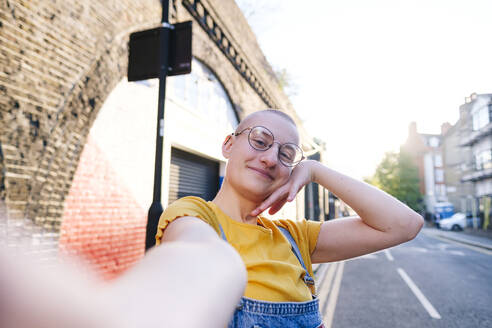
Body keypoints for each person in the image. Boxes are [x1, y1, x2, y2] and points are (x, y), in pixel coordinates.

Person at [156, 109, 424, 327]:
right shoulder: (194, 215)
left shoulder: (295, 237)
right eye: (260, 141)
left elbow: (404, 225)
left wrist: (314, 170)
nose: (271, 159)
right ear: (228, 144)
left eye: (286, 155)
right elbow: (191, 247)